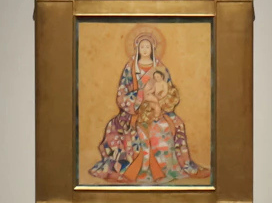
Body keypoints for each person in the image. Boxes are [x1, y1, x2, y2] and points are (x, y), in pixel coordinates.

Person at [89, 33, 210, 183]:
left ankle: (176, 166)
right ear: (137, 49)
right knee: (132, 128)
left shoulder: (159, 67)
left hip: (159, 108)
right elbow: (122, 94)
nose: (145, 50)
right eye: (142, 47)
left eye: (148, 47)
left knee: (177, 124)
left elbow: (168, 88)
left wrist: (160, 102)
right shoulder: (130, 68)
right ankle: (139, 168)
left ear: (153, 49)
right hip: (135, 109)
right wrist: (140, 97)